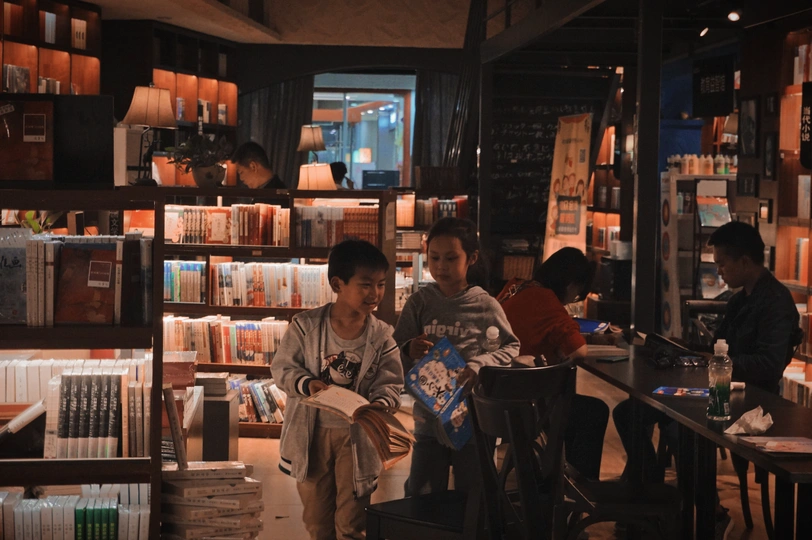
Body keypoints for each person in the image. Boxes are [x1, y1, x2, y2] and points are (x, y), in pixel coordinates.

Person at [613, 221, 799, 536]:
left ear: (745, 261)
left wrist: (717, 361)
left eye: (722, 263)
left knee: (681, 427)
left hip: (753, 401)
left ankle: (710, 512)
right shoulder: (739, 299)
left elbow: (768, 365)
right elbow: (718, 349)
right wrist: (686, 350)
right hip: (719, 390)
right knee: (629, 412)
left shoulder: (776, 302)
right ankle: (653, 498)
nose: (719, 271)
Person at [271, 240, 403, 540]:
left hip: (358, 439)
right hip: (312, 436)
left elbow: (391, 382)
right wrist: (307, 384)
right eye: (365, 284)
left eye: (381, 284)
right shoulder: (305, 327)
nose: (375, 293)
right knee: (317, 521)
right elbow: (282, 368)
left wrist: (381, 403)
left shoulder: (382, 336)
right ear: (337, 284)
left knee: (352, 522)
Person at [393, 217, 520, 495]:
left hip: (471, 418)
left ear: (471, 258)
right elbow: (395, 347)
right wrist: (409, 348)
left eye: (451, 258)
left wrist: (479, 364)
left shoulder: (485, 304)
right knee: (422, 492)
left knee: (472, 493)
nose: (441, 266)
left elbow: (510, 347)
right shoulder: (419, 302)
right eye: (434, 257)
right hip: (427, 416)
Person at [496, 247, 609, 480]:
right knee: (593, 411)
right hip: (523, 404)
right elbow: (579, 350)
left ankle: (559, 478)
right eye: (577, 294)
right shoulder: (546, 300)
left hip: (494, 396)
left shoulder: (516, 286)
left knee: (572, 405)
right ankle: (580, 486)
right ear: (571, 285)